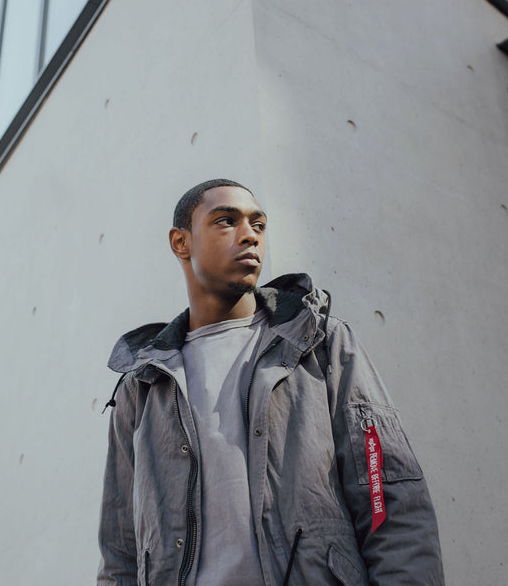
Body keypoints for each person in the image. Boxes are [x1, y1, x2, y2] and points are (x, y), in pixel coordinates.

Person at [97, 179, 444, 585]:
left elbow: (388, 498)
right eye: (226, 221)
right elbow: (119, 549)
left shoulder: (319, 343)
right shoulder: (142, 385)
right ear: (181, 242)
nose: (249, 236)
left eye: (258, 225)